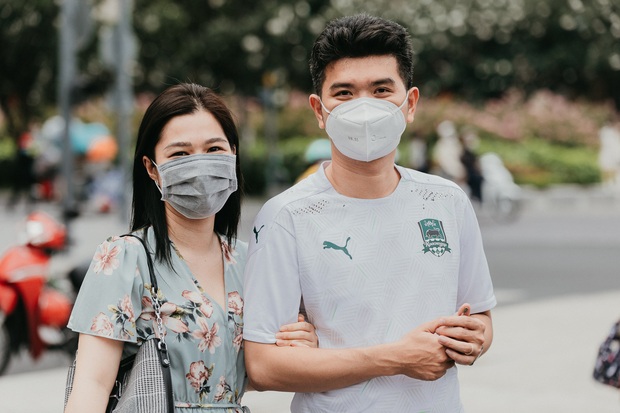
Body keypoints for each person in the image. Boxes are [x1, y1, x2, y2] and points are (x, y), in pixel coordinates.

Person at [243, 14, 496, 412]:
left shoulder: (447, 201)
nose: (364, 106)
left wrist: (473, 337)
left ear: (409, 103)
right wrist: (397, 357)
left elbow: (479, 313)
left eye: (381, 89)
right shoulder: (287, 216)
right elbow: (262, 366)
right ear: (319, 110)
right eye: (344, 92)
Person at [64, 83, 318, 413]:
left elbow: (245, 374)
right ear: (152, 168)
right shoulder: (125, 258)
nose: (199, 165)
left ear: (233, 155)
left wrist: (299, 346)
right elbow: (92, 385)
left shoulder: (250, 260)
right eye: (180, 154)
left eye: (214, 149)